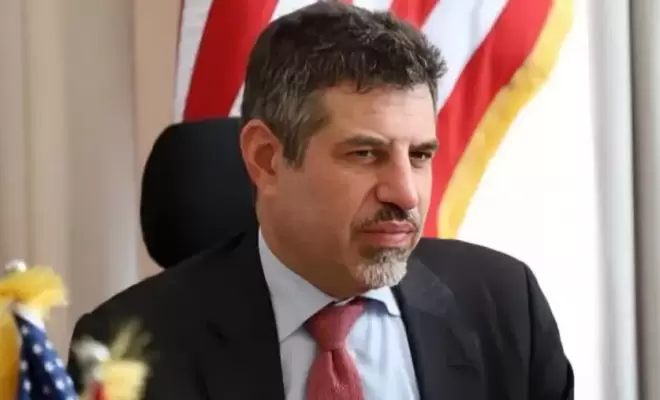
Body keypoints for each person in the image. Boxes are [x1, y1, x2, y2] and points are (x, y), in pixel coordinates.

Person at [66, 2, 574, 399]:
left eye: (420, 155)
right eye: (365, 154)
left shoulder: (506, 307)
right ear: (267, 159)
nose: (405, 193)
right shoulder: (129, 349)